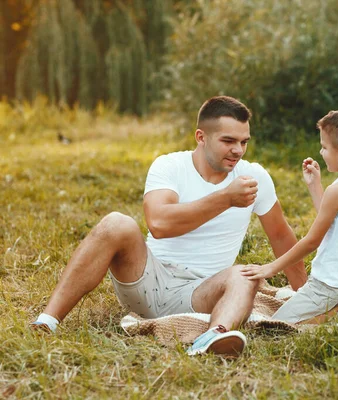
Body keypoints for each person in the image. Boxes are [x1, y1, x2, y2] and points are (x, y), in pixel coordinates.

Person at [31, 96, 307, 358]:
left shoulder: (254, 176)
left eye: (244, 142)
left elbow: (281, 236)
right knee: (116, 223)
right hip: (149, 281)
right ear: (201, 137)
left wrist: (305, 298)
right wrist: (226, 198)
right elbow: (160, 224)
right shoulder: (170, 166)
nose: (237, 150)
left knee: (247, 275)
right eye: (228, 140)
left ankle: (214, 336)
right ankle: (47, 322)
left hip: (202, 293)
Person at [240, 108, 338, 324]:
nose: (321, 152)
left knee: (276, 326)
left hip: (326, 286)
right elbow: (332, 219)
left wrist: (270, 268)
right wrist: (315, 186)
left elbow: (312, 240)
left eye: (324, 147)